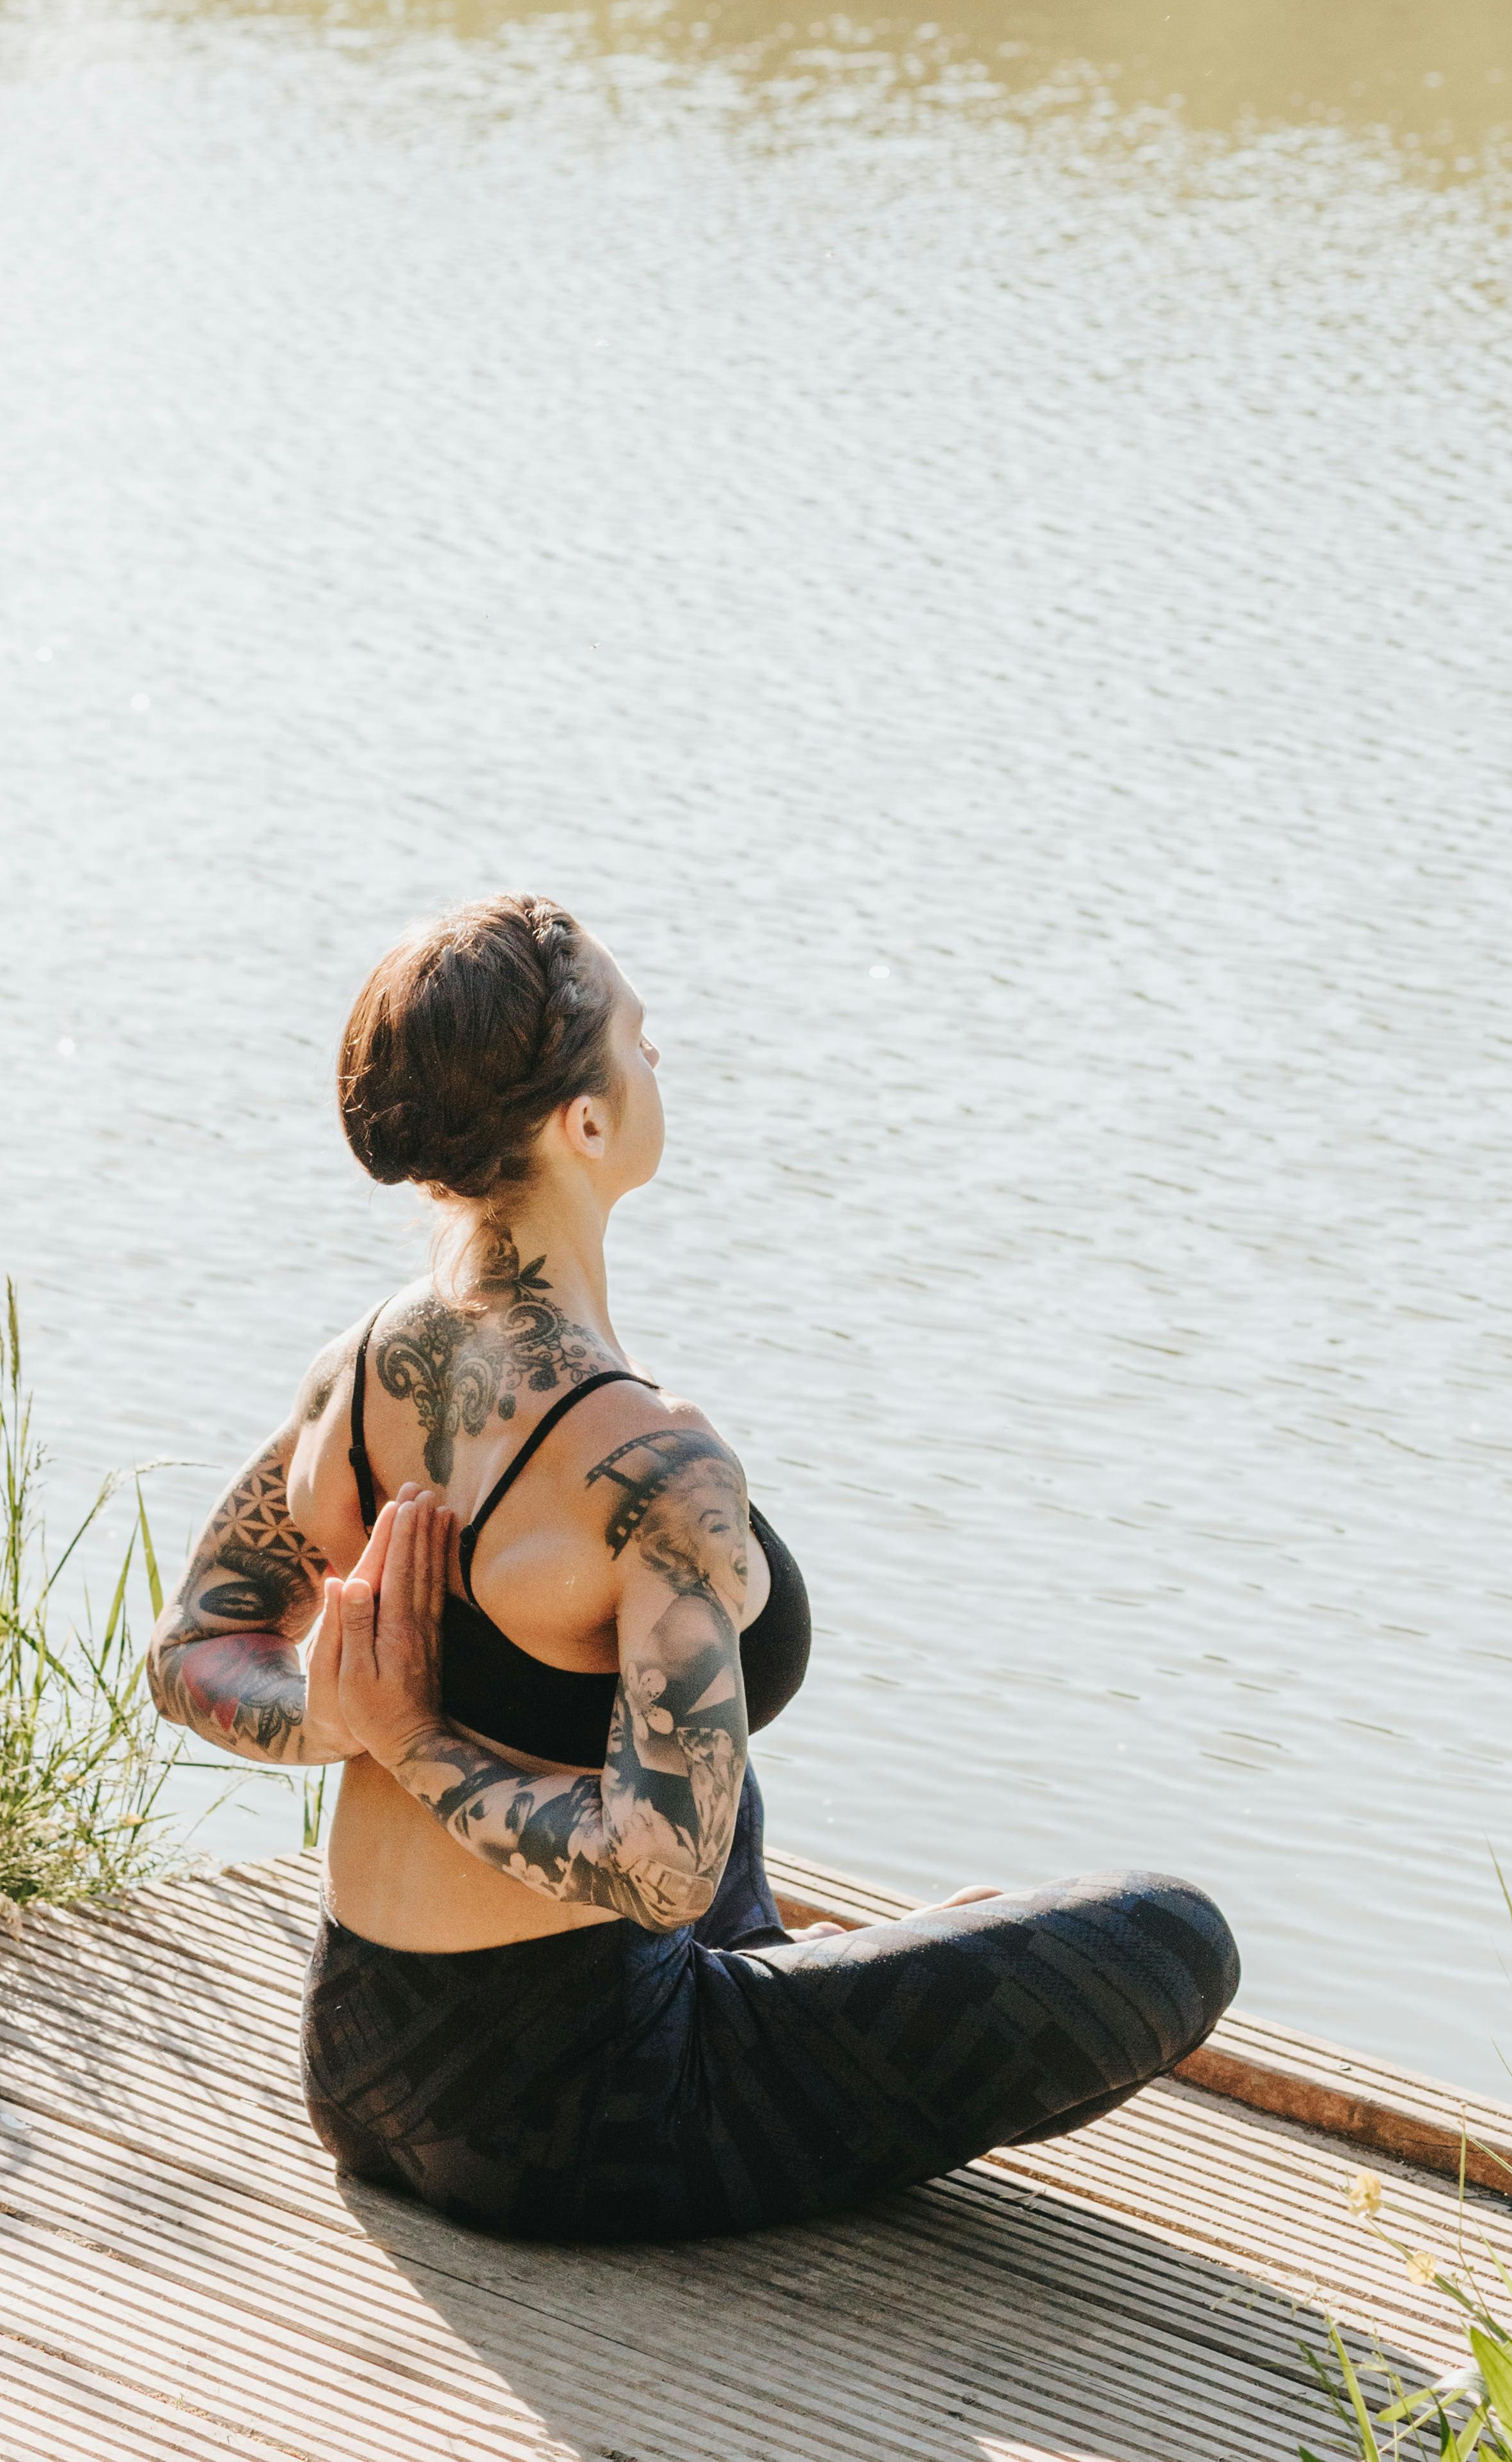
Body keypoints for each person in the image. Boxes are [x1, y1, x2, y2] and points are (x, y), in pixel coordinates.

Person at [146, 891, 1238, 2243]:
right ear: (583, 1125)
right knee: (1172, 1941)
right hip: (578, 2119)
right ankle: (812, 1988)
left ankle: (795, 1972)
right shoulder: (655, 1477)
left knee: (692, 1742)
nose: (660, 1060)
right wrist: (404, 1734)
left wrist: (331, 1715)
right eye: (641, 1038)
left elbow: (192, 1646)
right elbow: (659, 1873)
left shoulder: (358, 1372)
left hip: (360, 2063)